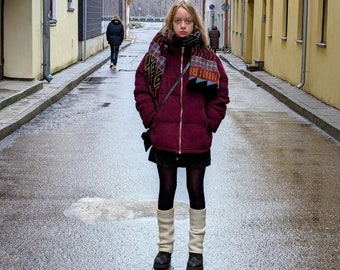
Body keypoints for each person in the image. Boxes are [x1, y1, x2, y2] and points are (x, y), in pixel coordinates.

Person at [134, 0, 229, 269]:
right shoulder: (158, 53)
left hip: (196, 139)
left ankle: (195, 253)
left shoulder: (208, 56)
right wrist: (152, 119)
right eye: (178, 21)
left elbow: (221, 93)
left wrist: (209, 122)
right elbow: (141, 84)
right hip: (163, 137)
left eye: (188, 21)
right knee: (166, 190)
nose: (183, 26)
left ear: (195, 23)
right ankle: (164, 251)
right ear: (171, 22)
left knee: (196, 191)